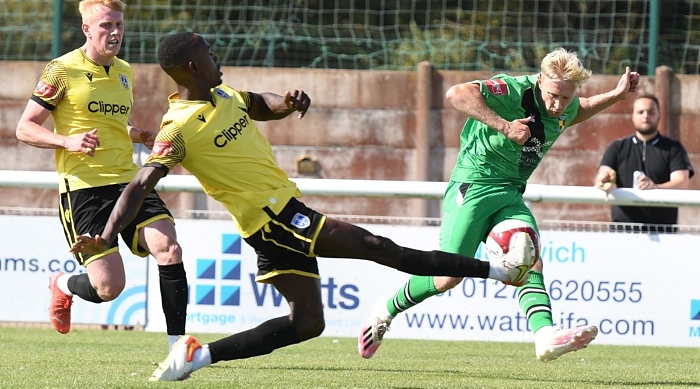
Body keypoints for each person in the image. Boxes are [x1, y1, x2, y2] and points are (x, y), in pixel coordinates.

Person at [69, 31, 533, 381]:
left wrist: (288, 103)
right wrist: (107, 237)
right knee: (379, 246)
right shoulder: (177, 128)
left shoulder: (224, 95)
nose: (217, 58)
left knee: (308, 323)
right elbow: (139, 185)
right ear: (191, 65)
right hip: (275, 220)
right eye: (210, 54)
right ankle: (500, 271)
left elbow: (261, 105)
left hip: (271, 222)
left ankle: (199, 356)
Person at [358, 48, 641, 362]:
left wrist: (617, 95)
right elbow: (457, 93)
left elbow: (580, 107)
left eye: (564, 98)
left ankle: (545, 336)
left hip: (510, 193)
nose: (557, 105)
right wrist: (505, 126)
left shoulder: (565, 105)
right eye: (552, 96)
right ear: (539, 81)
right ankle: (384, 310)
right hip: (474, 186)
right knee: (447, 278)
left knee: (530, 257)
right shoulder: (513, 90)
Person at [15, 0, 188, 349]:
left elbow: (109, 125)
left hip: (128, 180)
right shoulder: (61, 70)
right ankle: (63, 285)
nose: (115, 33)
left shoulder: (125, 70)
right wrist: (68, 141)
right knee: (109, 289)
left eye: (119, 25)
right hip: (85, 189)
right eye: (107, 25)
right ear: (87, 29)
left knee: (168, 248)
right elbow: (24, 128)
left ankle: (178, 349)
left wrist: (136, 133)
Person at [595, 94, 694, 233]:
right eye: (640, 112)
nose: (646, 116)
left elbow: (682, 182)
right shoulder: (617, 147)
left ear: (659, 116)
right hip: (622, 232)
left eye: (651, 112)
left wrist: (655, 188)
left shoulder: (673, 148)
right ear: (633, 116)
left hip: (663, 233)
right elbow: (603, 176)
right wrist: (606, 181)